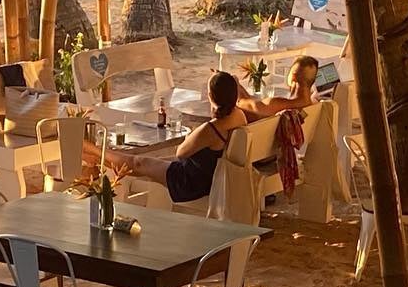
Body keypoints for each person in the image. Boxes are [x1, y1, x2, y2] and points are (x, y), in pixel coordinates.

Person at [107, 71, 247, 204]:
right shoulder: (238, 116)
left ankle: (97, 154)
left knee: (139, 162)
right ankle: (100, 158)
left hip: (189, 182)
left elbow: (180, 152)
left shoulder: (210, 129)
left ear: (210, 96)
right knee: (147, 163)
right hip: (208, 176)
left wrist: (192, 135)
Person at [237, 54, 319, 117]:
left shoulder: (277, 105)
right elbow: (254, 103)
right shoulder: (314, 105)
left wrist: (236, 85)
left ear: (293, 77)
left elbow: (242, 103)